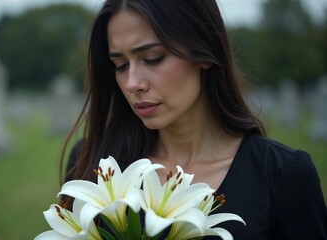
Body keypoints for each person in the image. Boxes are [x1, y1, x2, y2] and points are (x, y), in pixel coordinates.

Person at [59, 0, 327, 239]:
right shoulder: (94, 163)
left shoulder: (284, 176)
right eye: (120, 65)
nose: (132, 83)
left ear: (203, 53)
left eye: (152, 58)